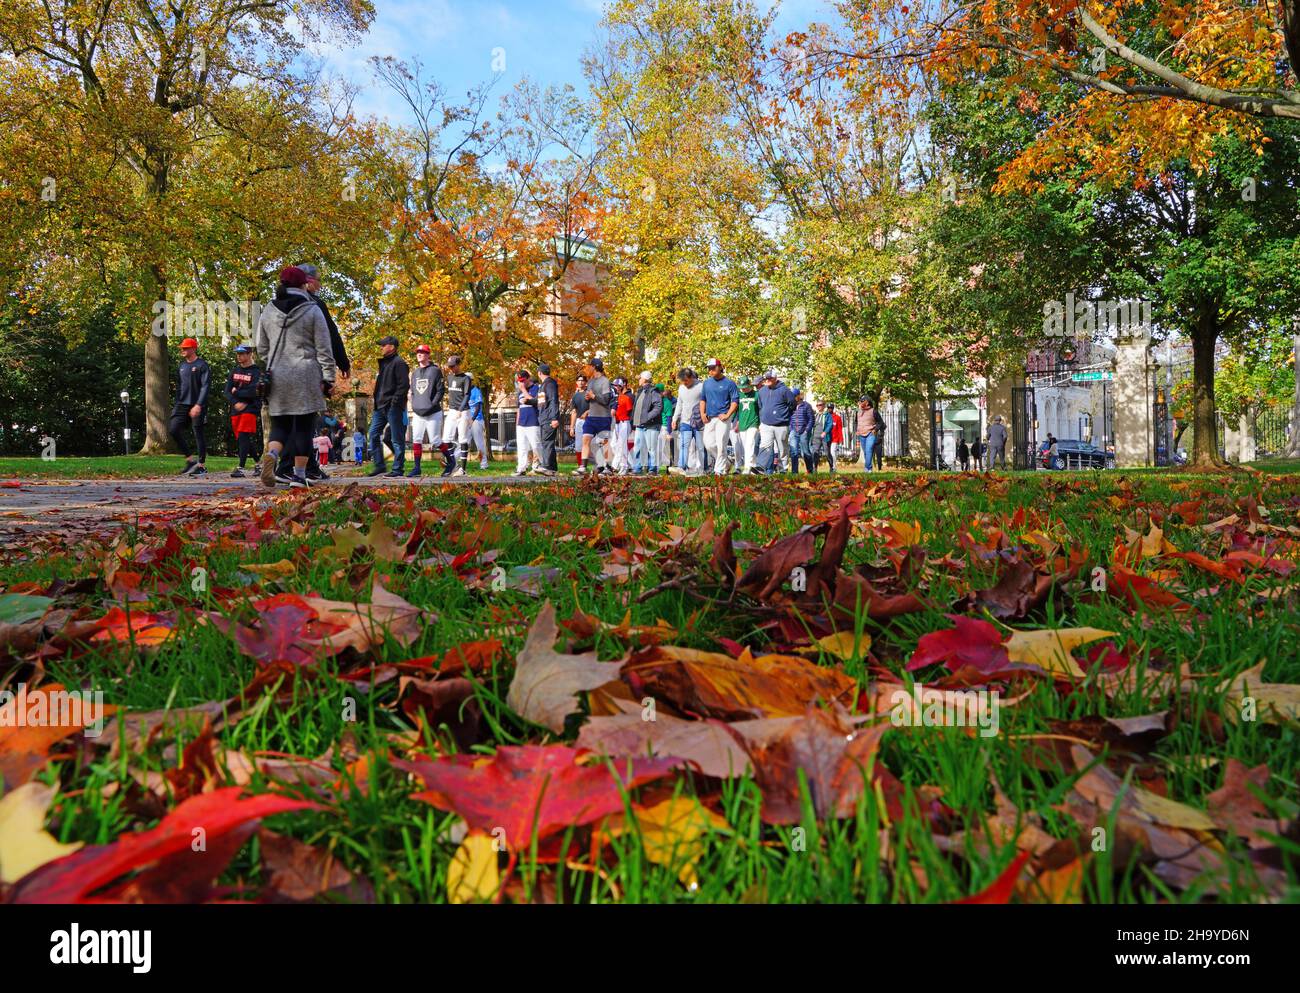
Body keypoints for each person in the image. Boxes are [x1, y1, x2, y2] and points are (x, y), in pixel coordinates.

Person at [255, 266, 336, 489]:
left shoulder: (268, 310)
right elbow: (324, 348)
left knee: (280, 425)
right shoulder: (312, 310)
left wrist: (275, 358)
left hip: (277, 374)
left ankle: (272, 453)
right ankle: (299, 476)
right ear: (303, 285)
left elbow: (261, 347)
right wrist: (329, 377)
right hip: (306, 373)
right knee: (303, 426)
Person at [365, 336, 408, 478]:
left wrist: (394, 402)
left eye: (383, 345)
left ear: (392, 347)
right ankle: (380, 465)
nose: (381, 347)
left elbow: (403, 386)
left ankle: (397, 469)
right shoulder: (384, 364)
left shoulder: (399, 363)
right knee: (373, 434)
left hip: (393, 406)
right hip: (380, 407)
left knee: (396, 438)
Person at [169, 336, 211, 476]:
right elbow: (180, 386)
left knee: (198, 433)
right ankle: (190, 460)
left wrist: (198, 405)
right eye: (182, 348)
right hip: (182, 404)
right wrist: (176, 403)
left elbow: (205, 386)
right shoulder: (182, 366)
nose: (182, 350)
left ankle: (201, 465)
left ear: (193, 349)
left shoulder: (202, 365)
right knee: (173, 429)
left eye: (185, 348)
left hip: (197, 404)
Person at [406, 343, 445, 478]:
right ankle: (417, 468)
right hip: (418, 412)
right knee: (416, 439)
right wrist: (413, 403)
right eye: (418, 352)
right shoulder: (415, 373)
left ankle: (451, 462)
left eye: (422, 352)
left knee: (435, 440)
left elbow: (440, 391)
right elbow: (413, 391)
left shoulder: (435, 370)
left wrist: (432, 404)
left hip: (433, 412)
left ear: (428, 355)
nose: (419, 354)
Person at [225, 344, 262, 478]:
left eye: (242, 353)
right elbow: (227, 392)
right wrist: (236, 401)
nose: (239, 356)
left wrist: (238, 393)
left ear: (249, 354)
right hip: (236, 408)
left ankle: (240, 467)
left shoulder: (256, 372)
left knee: (243, 435)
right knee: (242, 437)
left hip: (250, 408)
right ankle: (258, 464)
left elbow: (254, 391)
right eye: (238, 354)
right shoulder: (234, 371)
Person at [698, 358, 740, 476]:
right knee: (708, 443)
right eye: (709, 368)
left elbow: (735, 401)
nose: (710, 371)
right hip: (710, 418)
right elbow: (703, 399)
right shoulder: (706, 383)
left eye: (713, 368)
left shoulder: (729, 383)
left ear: (720, 367)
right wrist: (702, 413)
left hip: (723, 419)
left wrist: (728, 415)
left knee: (721, 444)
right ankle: (726, 462)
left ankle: (719, 471)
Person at [756, 370, 796, 473]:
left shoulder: (784, 390)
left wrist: (784, 415)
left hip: (781, 424)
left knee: (782, 448)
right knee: (765, 445)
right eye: (766, 378)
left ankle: (783, 469)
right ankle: (760, 467)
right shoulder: (762, 391)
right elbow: (760, 406)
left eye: (770, 378)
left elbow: (792, 404)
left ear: (775, 378)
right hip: (766, 424)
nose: (767, 380)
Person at [580, 358, 615, 474]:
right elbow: (589, 399)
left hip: (603, 417)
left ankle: (607, 466)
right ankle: (583, 467)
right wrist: (587, 398)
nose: (588, 368)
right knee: (585, 439)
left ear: (594, 367)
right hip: (591, 417)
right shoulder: (590, 382)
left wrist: (593, 396)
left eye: (590, 366)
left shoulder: (605, 381)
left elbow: (606, 400)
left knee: (605, 442)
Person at [442, 355, 474, 477]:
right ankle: (453, 465)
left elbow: (467, 395)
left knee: (463, 439)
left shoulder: (465, 378)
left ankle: (463, 470)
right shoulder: (449, 377)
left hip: (463, 411)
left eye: (453, 366)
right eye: (449, 366)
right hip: (451, 411)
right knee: (445, 439)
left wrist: (461, 409)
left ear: (458, 365)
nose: (451, 369)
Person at [672, 368, 704, 475]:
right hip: (685, 422)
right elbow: (679, 404)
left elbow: (706, 401)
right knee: (684, 445)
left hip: (699, 422)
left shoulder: (701, 386)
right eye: (682, 381)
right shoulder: (681, 388)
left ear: (691, 377)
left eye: (686, 381)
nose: (684, 383)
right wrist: (675, 418)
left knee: (700, 446)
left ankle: (703, 468)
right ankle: (682, 467)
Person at [631, 371, 662, 475]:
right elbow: (636, 408)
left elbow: (658, 407)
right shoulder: (640, 391)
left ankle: (652, 469)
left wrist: (647, 417)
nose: (639, 380)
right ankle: (637, 468)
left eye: (640, 378)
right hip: (640, 425)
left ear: (644, 379)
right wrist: (634, 422)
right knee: (638, 447)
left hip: (651, 425)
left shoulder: (654, 391)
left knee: (651, 448)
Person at [514, 369, 541, 475]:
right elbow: (519, 408)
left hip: (533, 422)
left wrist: (524, 391)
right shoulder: (520, 391)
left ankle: (538, 465)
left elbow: (536, 401)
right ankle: (521, 468)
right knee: (521, 446)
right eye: (519, 381)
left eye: (523, 380)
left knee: (536, 445)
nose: (521, 383)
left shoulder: (536, 388)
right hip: (521, 423)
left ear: (528, 378)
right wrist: (517, 423)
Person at [536, 363, 560, 475]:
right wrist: (528, 400)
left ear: (539, 373)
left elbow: (553, 400)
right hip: (544, 417)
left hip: (549, 418)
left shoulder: (549, 384)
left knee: (547, 442)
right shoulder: (544, 385)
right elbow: (541, 402)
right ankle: (553, 468)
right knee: (547, 442)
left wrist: (554, 418)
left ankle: (547, 466)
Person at [736, 376, 760, 474]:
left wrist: (760, 423)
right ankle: (753, 467)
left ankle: (747, 468)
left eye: (745, 387)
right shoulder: (739, 395)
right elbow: (736, 410)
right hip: (742, 423)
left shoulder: (756, 395)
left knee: (750, 444)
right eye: (741, 387)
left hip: (753, 422)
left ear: (750, 385)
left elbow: (760, 409)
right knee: (746, 446)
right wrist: (736, 422)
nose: (743, 389)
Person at [789, 388, 816, 473]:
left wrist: (807, 430)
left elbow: (811, 419)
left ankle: (810, 470)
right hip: (793, 431)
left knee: (806, 452)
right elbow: (788, 418)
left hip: (804, 431)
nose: (792, 398)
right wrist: (790, 428)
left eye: (794, 396)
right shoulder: (790, 406)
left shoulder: (806, 406)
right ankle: (794, 472)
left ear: (798, 396)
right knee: (794, 452)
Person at [612, 378, 633, 474]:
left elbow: (629, 412)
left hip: (624, 423)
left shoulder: (626, 398)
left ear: (621, 387)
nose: (615, 387)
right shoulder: (612, 399)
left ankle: (621, 466)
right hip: (615, 424)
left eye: (617, 385)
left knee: (622, 445)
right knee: (614, 445)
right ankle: (631, 464)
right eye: (614, 385)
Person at [569, 374, 590, 472]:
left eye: (583, 380)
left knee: (591, 444)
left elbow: (595, 406)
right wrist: (572, 427)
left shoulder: (589, 393)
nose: (581, 382)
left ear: (586, 382)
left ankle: (599, 466)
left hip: (590, 421)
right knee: (578, 445)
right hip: (579, 422)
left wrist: (587, 412)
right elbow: (574, 412)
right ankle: (580, 466)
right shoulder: (575, 396)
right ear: (576, 382)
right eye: (579, 380)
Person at [857, 396, 880, 472]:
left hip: (870, 433)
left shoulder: (874, 411)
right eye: (860, 401)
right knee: (866, 452)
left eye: (862, 401)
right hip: (861, 434)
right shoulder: (858, 412)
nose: (860, 402)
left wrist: (875, 429)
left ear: (867, 402)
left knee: (869, 450)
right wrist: (857, 430)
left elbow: (880, 423)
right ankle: (868, 467)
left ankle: (868, 469)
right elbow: (856, 422)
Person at [469, 381, 489, 469]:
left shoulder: (476, 391)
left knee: (479, 443)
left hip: (476, 420)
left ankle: (484, 464)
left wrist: (472, 419)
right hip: (466, 420)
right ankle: (453, 461)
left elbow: (478, 407)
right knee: (463, 442)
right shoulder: (465, 391)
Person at [813, 400, 833, 473]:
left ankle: (831, 467)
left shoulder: (827, 415)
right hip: (816, 436)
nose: (819, 406)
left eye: (820, 405)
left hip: (825, 436)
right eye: (817, 405)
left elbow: (830, 424)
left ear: (824, 406)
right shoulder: (815, 415)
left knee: (827, 453)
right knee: (815, 452)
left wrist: (825, 432)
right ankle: (814, 469)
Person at [658, 382, 675, 473]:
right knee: (657, 449)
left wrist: (669, 432)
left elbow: (669, 418)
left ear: (662, 392)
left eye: (659, 392)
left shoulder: (667, 402)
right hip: (656, 427)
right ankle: (660, 467)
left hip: (664, 427)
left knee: (664, 448)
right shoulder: (655, 401)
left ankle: (665, 468)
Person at [829, 403, 844, 471]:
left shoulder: (837, 417)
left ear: (833, 408)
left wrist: (841, 439)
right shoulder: (825, 416)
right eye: (828, 408)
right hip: (827, 438)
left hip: (834, 439)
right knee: (828, 454)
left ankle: (833, 468)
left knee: (832, 453)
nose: (830, 409)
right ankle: (830, 467)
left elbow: (839, 429)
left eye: (831, 408)